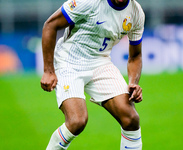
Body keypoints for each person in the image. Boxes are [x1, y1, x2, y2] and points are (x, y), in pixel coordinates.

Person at [40, 0, 145, 149]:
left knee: (131, 118)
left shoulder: (136, 12)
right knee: (77, 121)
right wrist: (48, 71)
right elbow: (50, 25)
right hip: (69, 62)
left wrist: (133, 82)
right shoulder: (89, 2)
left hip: (100, 63)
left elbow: (135, 56)